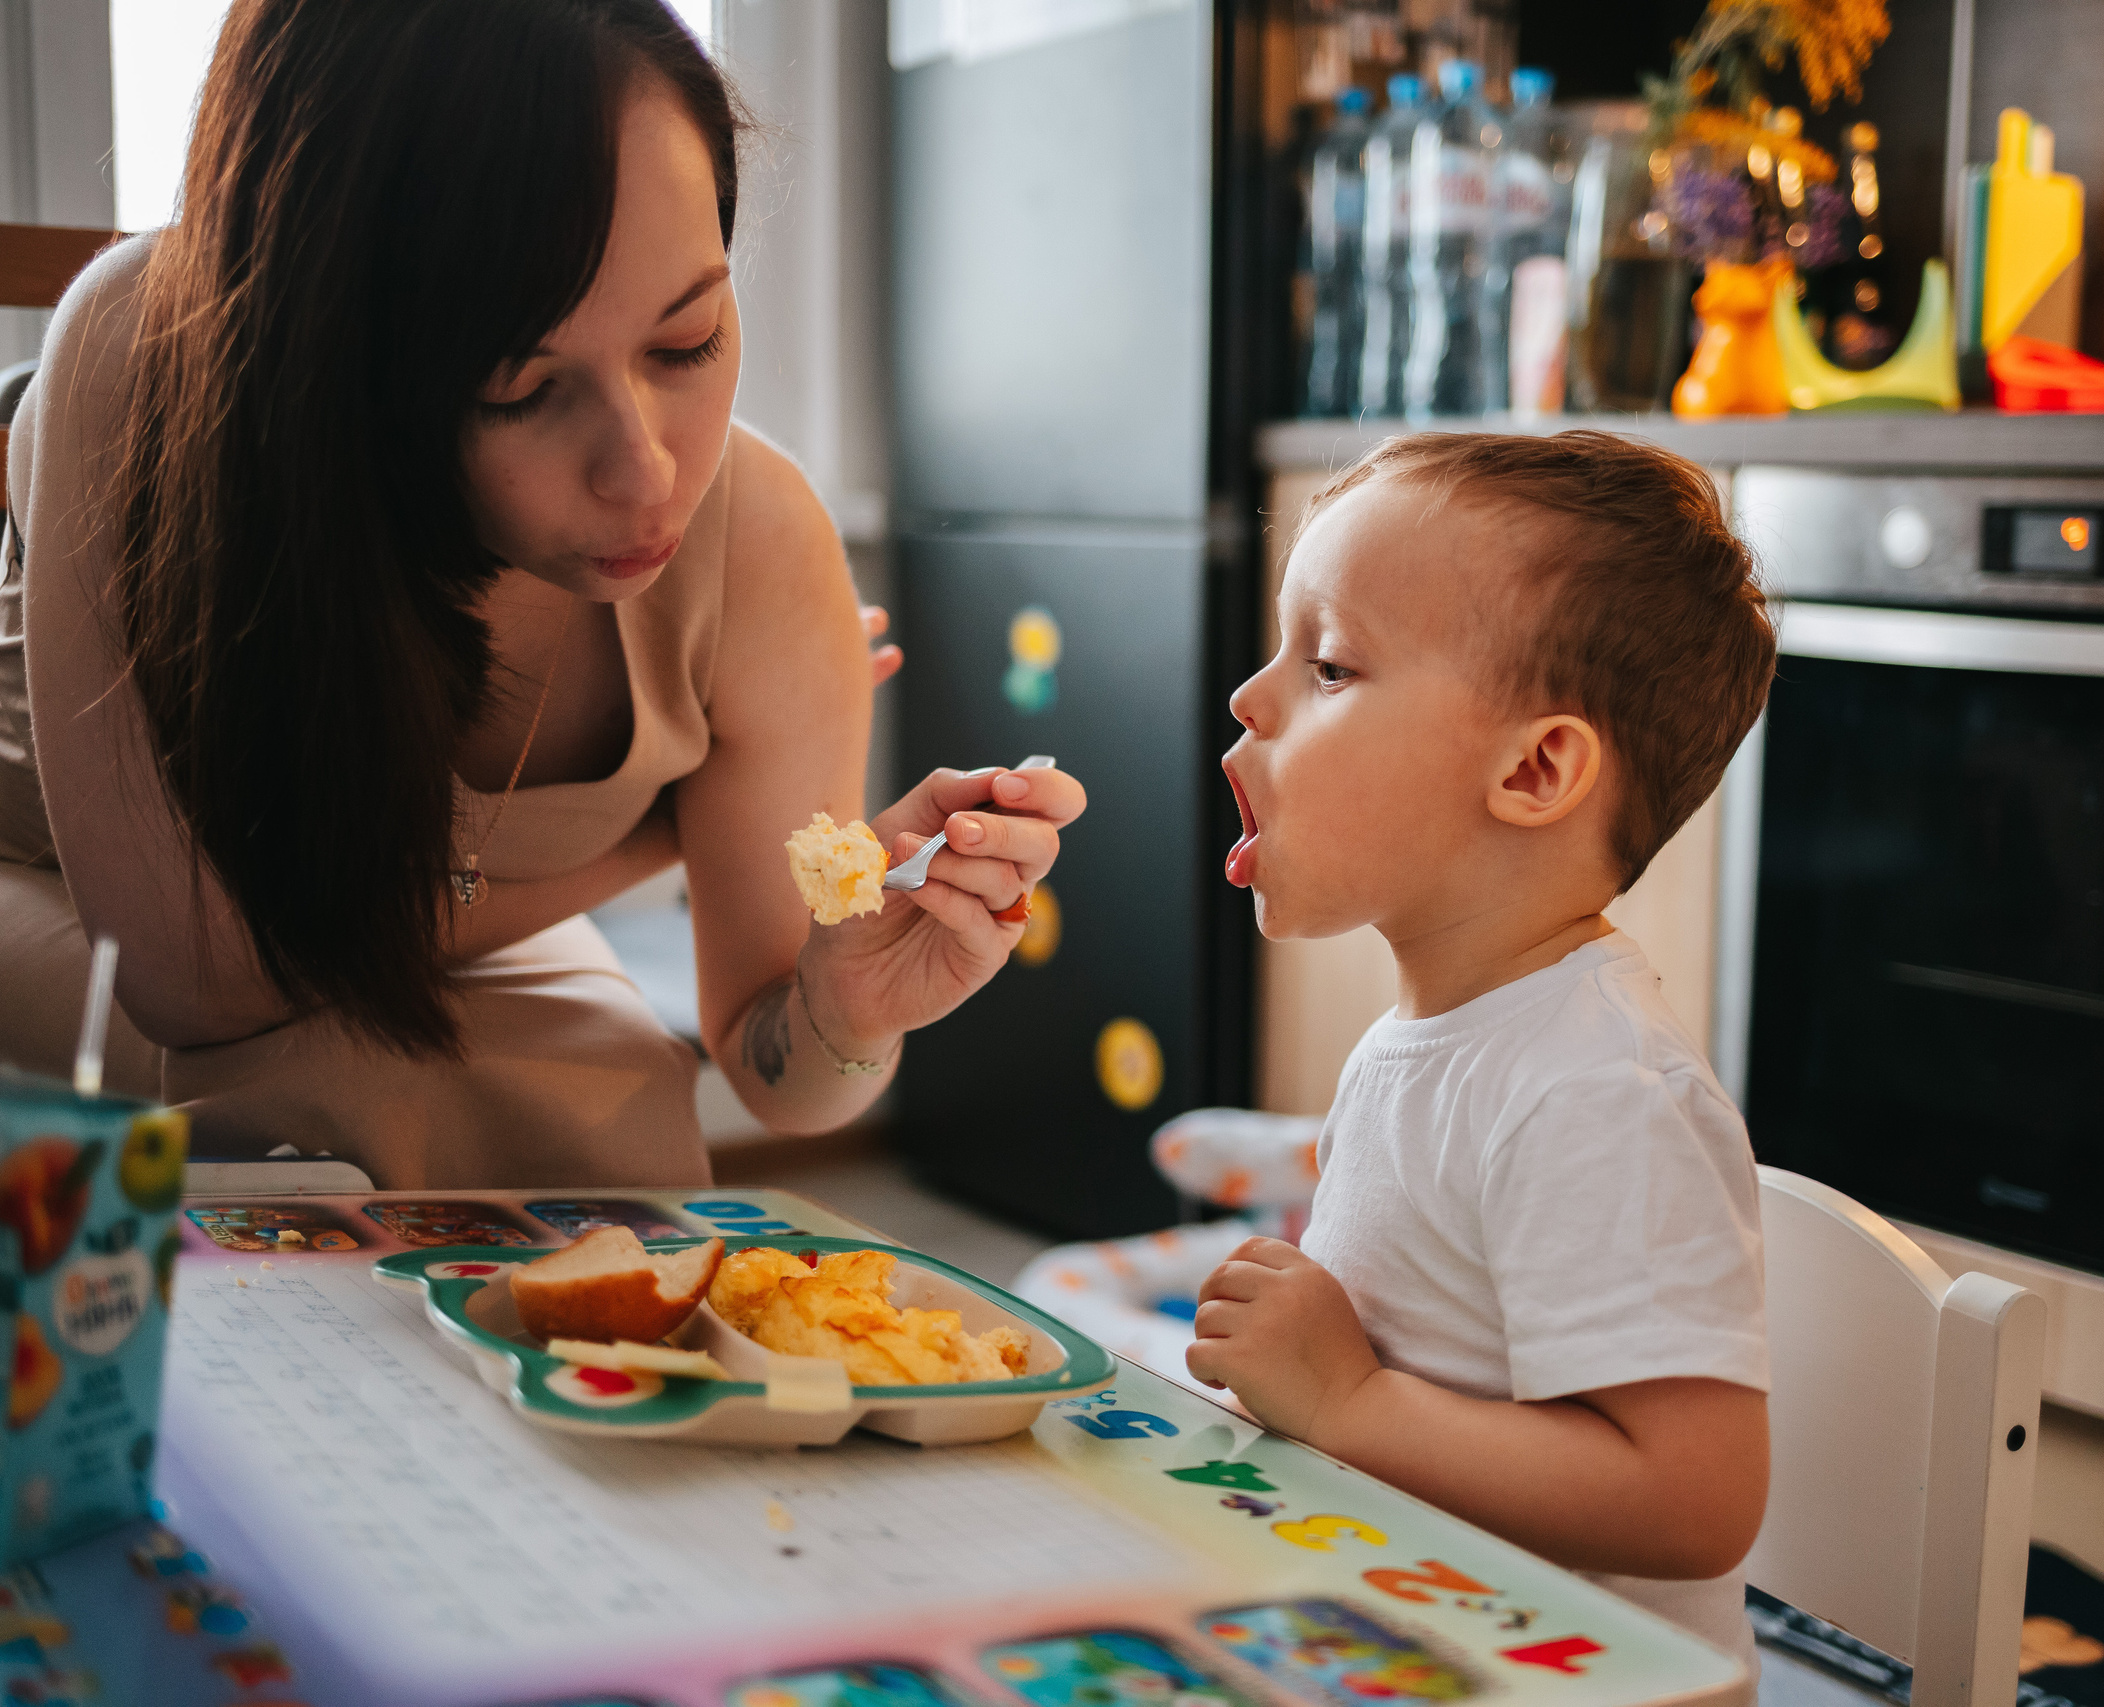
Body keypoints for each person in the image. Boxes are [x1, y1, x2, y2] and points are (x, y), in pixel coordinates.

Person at [0, 0, 1083, 1186]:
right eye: (519, 388)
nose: (646, 474)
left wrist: (852, 1005)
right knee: (349, 1095)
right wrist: (662, 830)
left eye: (687, 342)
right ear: (334, 359)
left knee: (607, 1088)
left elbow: (780, 1079)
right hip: (45, 881)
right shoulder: (143, 355)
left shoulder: (760, 543)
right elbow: (199, 980)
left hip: (327, 948)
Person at [1195, 431, 1778, 1678]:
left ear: (1533, 769)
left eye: (1332, 664)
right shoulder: (1425, 1038)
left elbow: (1694, 1501)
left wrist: (1346, 1402)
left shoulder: (1597, 1091)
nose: (1250, 698)